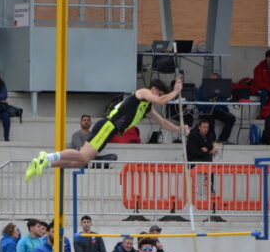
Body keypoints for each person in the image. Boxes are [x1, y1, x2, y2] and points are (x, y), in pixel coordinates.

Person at [24, 78, 188, 182]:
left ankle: (44, 164)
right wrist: (175, 91)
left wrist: (179, 129)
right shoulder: (142, 92)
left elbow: (164, 123)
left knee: (82, 161)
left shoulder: (147, 107)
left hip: (109, 131)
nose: (158, 96)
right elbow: (160, 101)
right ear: (153, 89)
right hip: (108, 125)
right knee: (81, 155)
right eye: (158, 93)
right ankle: (46, 156)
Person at [196, 73, 236, 143]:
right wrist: (203, 110)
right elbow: (198, 100)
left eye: (215, 80)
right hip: (205, 111)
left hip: (216, 111)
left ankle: (223, 139)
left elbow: (223, 103)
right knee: (210, 118)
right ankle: (211, 140)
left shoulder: (222, 89)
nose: (212, 81)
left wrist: (226, 112)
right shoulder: (203, 87)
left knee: (231, 118)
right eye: (211, 80)